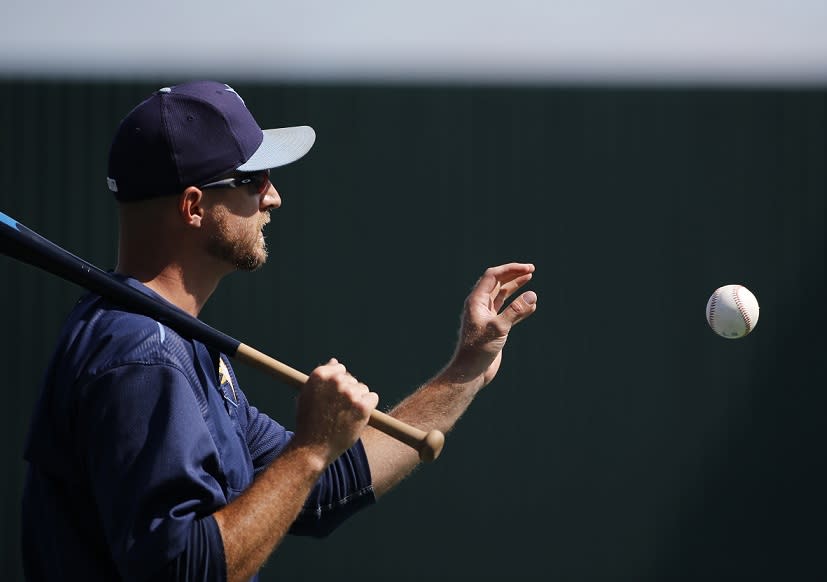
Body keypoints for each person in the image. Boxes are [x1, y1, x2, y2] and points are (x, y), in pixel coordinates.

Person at [21, 80, 538, 582]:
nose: (273, 198)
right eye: (252, 179)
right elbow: (185, 570)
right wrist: (311, 448)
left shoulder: (172, 341)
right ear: (194, 206)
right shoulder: (143, 356)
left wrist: (466, 370)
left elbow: (324, 489)